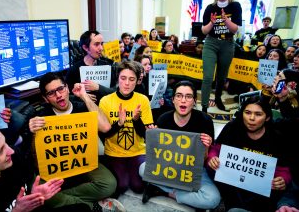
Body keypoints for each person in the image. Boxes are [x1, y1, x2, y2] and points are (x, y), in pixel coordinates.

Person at [28, 72, 122, 211]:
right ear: (45, 98)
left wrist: (84, 96)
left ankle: (69, 201)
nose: (59, 95)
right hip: (57, 168)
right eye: (51, 93)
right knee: (39, 193)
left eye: (61, 89)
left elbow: (106, 127)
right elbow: (36, 159)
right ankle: (91, 206)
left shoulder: (82, 107)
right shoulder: (40, 117)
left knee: (109, 184)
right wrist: (32, 133)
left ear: (67, 88)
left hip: (83, 162)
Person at [0, 124, 90, 212]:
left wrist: (34, 196)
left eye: (6, 144)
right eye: (1, 151)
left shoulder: (15, 159)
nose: (11, 151)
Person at [139, 80, 221, 210]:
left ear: (194, 101)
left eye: (188, 97)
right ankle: (189, 196)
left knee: (213, 199)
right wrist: (152, 139)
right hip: (169, 168)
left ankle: (167, 192)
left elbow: (204, 160)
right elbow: (157, 156)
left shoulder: (205, 120)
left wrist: (206, 146)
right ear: (173, 100)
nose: (183, 100)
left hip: (194, 171)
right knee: (143, 169)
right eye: (179, 96)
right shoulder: (164, 118)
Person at [207, 96, 291, 211]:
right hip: (232, 185)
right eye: (247, 112)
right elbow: (216, 149)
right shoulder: (232, 127)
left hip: (261, 191)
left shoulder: (277, 137)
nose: (251, 118)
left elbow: (284, 169)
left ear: (267, 117)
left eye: (258, 114)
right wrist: (212, 158)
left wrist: (283, 179)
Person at [99, 61, 154, 195]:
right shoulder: (105, 101)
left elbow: (145, 136)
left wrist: (136, 120)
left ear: (137, 81)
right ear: (118, 78)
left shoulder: (143, 100)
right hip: (114, 152)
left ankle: (131, 171)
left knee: (138, 187)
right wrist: (119, 124)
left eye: (131, 79)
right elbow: (103, 135)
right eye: (123, 78)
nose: (127, 83)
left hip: (137, 151)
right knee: (121, 186)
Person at [200, 0, 242, 113]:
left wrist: (226, 20)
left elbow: (235, 29)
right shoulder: (210, 8)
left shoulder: (235, 6)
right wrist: (212, 22)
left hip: (228, 44)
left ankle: (218, 98)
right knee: (207, 77)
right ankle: (204, 107)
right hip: (211, 43)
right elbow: (204, 31)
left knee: (221, 77)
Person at [66, 30, 116, 103]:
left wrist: (98, 87)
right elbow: (67, 96)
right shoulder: (74, 70)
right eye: (96, 44)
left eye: (102, 44)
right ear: (85, 48)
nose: (101, 48)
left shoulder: (107, 65)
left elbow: (115, 92)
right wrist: (82, 97)